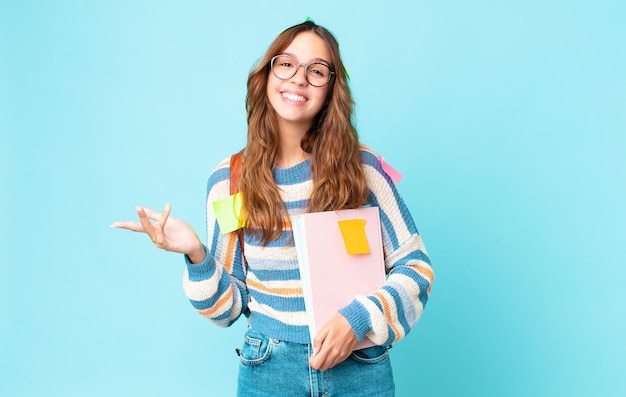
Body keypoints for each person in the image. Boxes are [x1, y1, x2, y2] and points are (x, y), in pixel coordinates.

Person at [112, 20, 433, 397]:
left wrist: (358, 319)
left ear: (331, 89)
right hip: (269, 369)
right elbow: (227, 309)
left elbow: (417, 269)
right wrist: (196, 254)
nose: (299, 78)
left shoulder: (362, 170)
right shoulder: (230, 182)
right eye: (286, 64)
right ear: (266, 75)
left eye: (316, 71)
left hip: (361, 367)